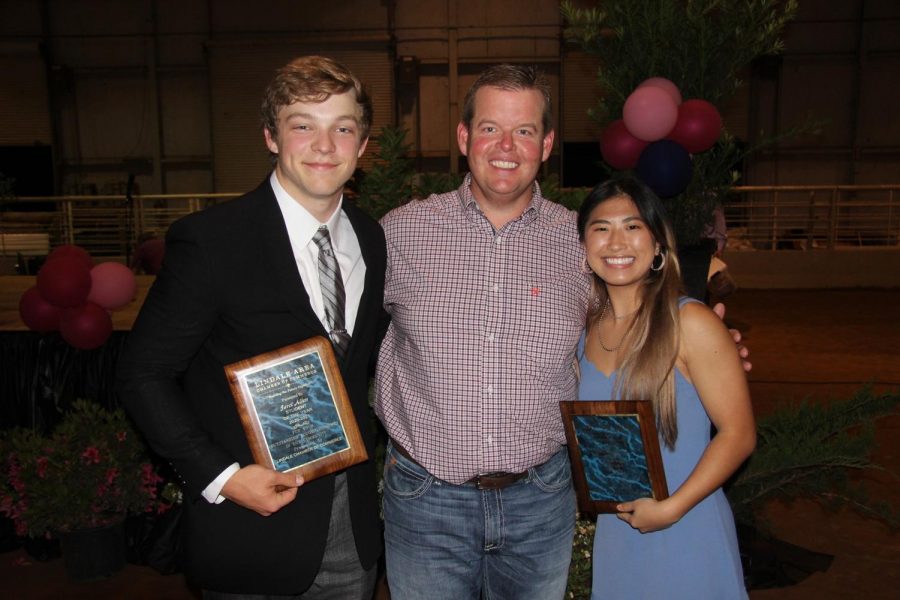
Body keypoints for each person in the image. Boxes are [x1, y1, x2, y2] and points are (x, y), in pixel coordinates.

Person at [116, 56, 385, 598]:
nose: (324, 145)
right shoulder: (212, 242)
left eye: (343, 127)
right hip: (251, 534)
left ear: (362, 144)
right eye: (302, 125)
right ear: (270, 136)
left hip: (351, 535)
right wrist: (222, 476)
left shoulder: (371, 238)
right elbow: (141, 373)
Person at [576, 176, 756, 599]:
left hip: (687, 526)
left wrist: (671, 509)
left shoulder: (689, 322)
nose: (617, 242)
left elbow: (740, 435)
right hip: (617, 536)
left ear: (658, 244)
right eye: (601, 228)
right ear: (583, 247)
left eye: (633, 226)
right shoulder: (582, 333)